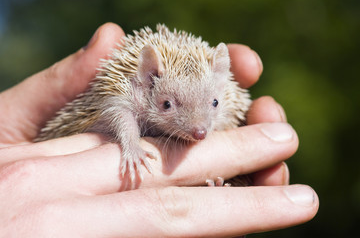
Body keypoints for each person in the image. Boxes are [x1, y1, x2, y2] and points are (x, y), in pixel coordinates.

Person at [0, 23, 318, 237]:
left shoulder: (223, 110)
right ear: (148, 80)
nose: (199, 129)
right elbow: (118, 110)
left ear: (221, 83)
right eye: (168, 105)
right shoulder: (131, 93)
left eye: (213, 105)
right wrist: (130, 144)